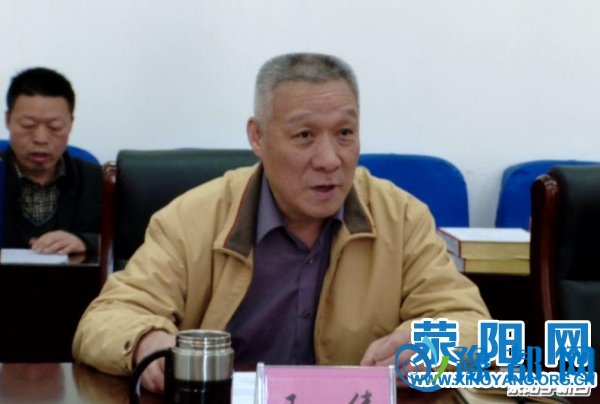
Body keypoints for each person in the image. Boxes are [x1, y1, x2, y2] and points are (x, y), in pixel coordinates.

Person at [73, 53, 490, 393]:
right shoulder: (192, 218)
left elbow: (472, 325)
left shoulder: (402, 218)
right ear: (257, 137)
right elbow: (108, 318)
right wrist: (148, 343)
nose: (329, 159)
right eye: (304, 135)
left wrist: (429, 346)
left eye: (345, 133)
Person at [2, 67, 101, 255]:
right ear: (8, 120)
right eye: (28, 125)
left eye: (55, 127)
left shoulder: (96, 180)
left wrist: (86, 242)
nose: (41, 138)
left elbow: (130, 244)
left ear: (70, 124)